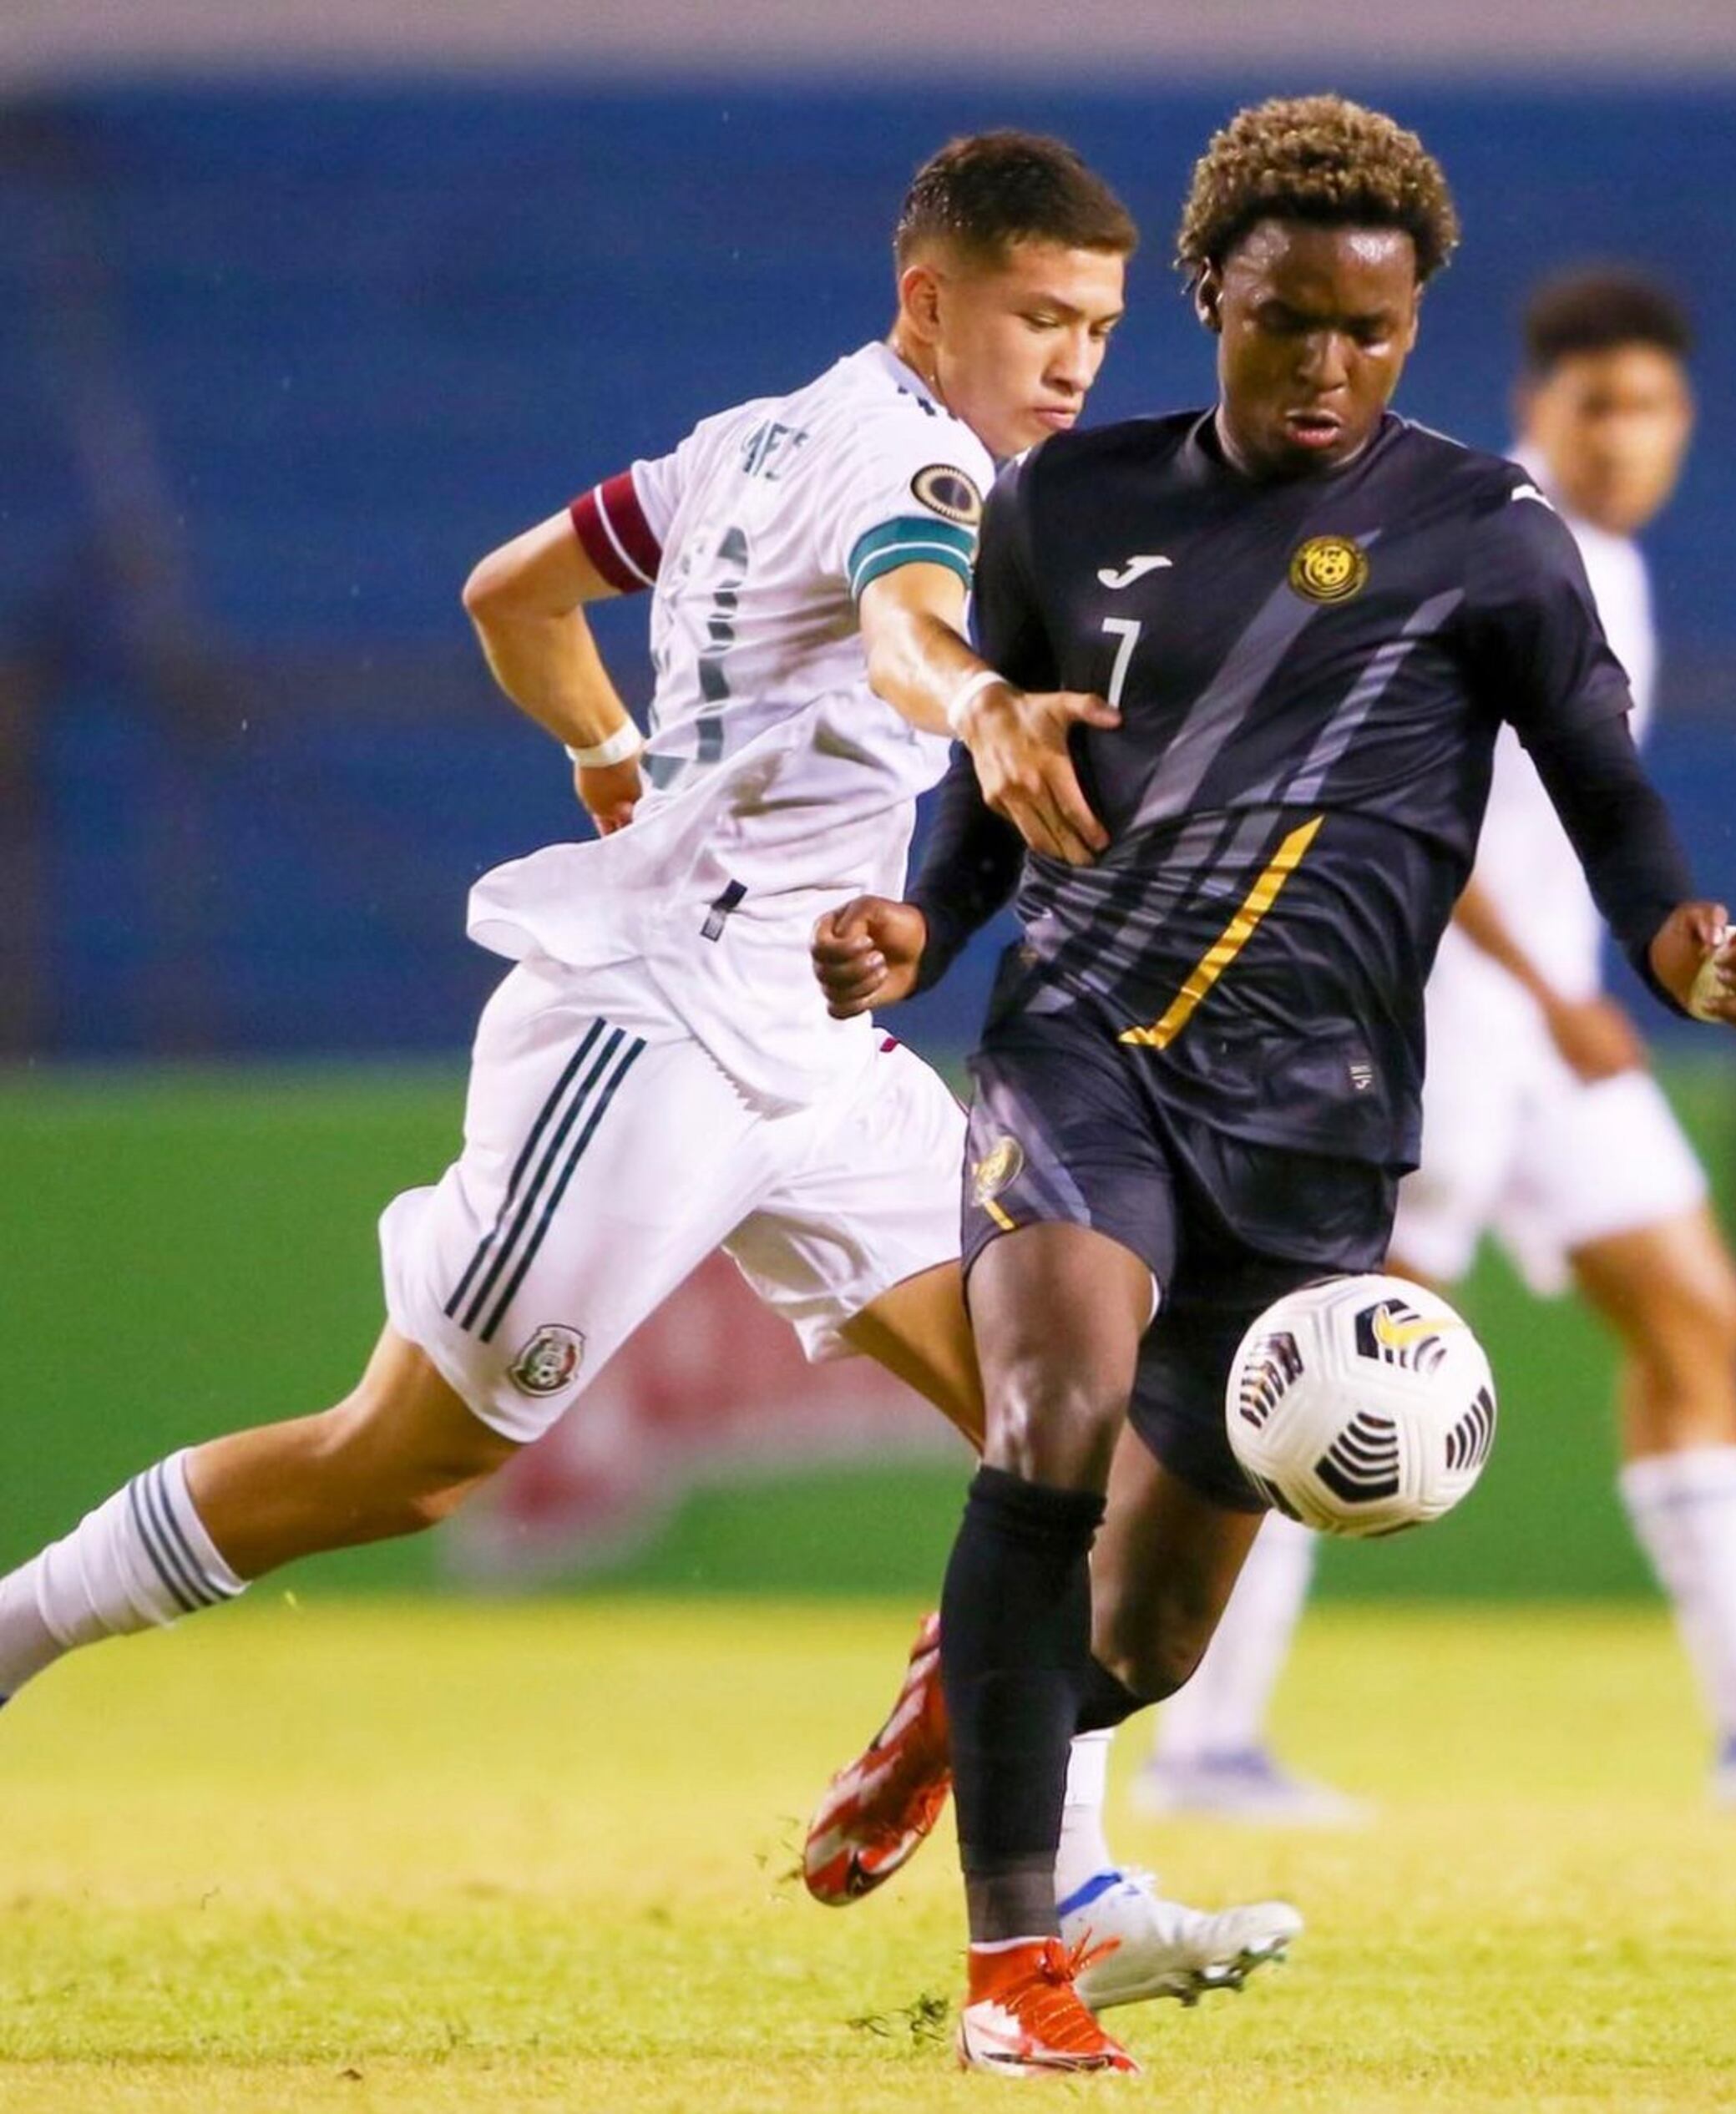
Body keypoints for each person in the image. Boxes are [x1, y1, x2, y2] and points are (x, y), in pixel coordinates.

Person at [0, 131, 1291, 2013]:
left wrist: (609, 751)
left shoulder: (733, 441)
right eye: (1036, 317)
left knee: (1067, 1434)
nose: (1074, 362)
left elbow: (510, 594)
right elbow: (905, 619)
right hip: (661, 1028)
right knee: (405, 1464)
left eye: (1096, 325)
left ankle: (1064, 1884)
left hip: (818, 1050)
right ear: (925, 299)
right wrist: (979, 700)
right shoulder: (914, 463)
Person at [807, 95, 1736, 2078]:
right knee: (1047, 1416)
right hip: (1083, 1054)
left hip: (1317, 1124)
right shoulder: (1062, 505)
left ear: (1412, 321)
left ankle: (955, 1713)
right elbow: (992, 801)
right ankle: (1015, 1979)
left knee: (1147, 1640)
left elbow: (1603, 786)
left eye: (1369, 331)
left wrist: (1675, 933)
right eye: (1283, 325)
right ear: (1210, 298)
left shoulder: (1485, 536)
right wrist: (921, 929)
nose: (1326, 367)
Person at [1136, 268, 1736, 1821]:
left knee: (1695, 1317)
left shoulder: (1619, 570)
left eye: (1655, 407)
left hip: (1552, 1034)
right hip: (1439, 1023)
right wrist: (1562, 986)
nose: (1630, 434)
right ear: (1539, 409)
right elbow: (1395, 808)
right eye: (1601, 405)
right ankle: (1202, 1743)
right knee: (1326, 1363)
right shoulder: (1483, 551)